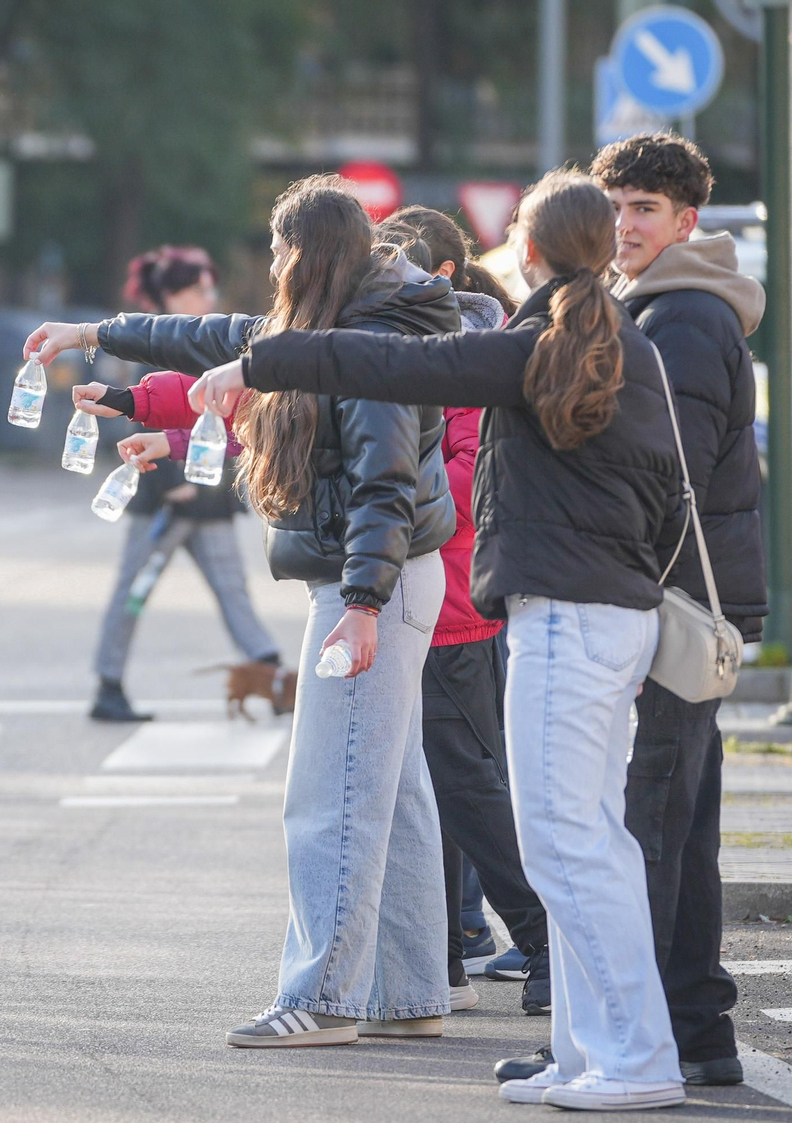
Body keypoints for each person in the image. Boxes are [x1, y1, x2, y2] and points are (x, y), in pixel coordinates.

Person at [192, 170, 690, 1111]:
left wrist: (260, 364)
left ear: (527, 252)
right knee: (583, 844)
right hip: (612, 612)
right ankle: (593, 1049)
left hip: (567, 618)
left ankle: (634, 1057)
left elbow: (388, 368)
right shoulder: (615, 345)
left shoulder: (533, 349)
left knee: (569, 849)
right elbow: (676, 490)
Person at [29, 175, 460, 1048]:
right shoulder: (337, 329)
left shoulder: (368, 342)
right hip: (385, 580)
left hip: (368, 583)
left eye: (274, 251)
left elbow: (387, 486)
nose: (267, 267)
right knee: (395, 791)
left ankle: (323, 996)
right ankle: (407, 992)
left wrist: (364, 603)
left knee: (331, 794)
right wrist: (93, 336)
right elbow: (208, 338)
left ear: (303, 255)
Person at [581, 133, 760, 1089]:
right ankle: (697, 1028)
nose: (625, 225)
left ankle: (640, 1033)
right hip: (689, 595)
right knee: (679, 823)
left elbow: (666, 467)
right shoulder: (662, 307)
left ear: (686, 221)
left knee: (645, 823)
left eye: (645, 209)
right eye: (614, 206)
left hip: (673, 600)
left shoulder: (682, 319)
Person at [376, 208, 554, 1017]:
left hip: (452, 604)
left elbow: (469, 484)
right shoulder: (402, 351)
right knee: (425, 788)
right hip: (406, 594)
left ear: (439, 277)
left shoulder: (475, 359)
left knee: (467, 787)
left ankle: (546, 937)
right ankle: (441, 949)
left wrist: (376, 497)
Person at [86, 246, 279, 722]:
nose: (209, 296)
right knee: (134, 591)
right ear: (172, 295)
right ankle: (108, 685)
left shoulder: (206, 342)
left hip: (208, 500)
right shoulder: (150, 346)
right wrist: (174, 482)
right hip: (164, 504)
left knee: (233, 589)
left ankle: (273, 674)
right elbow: (141, 413)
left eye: (211, 287)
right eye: (199, 288)